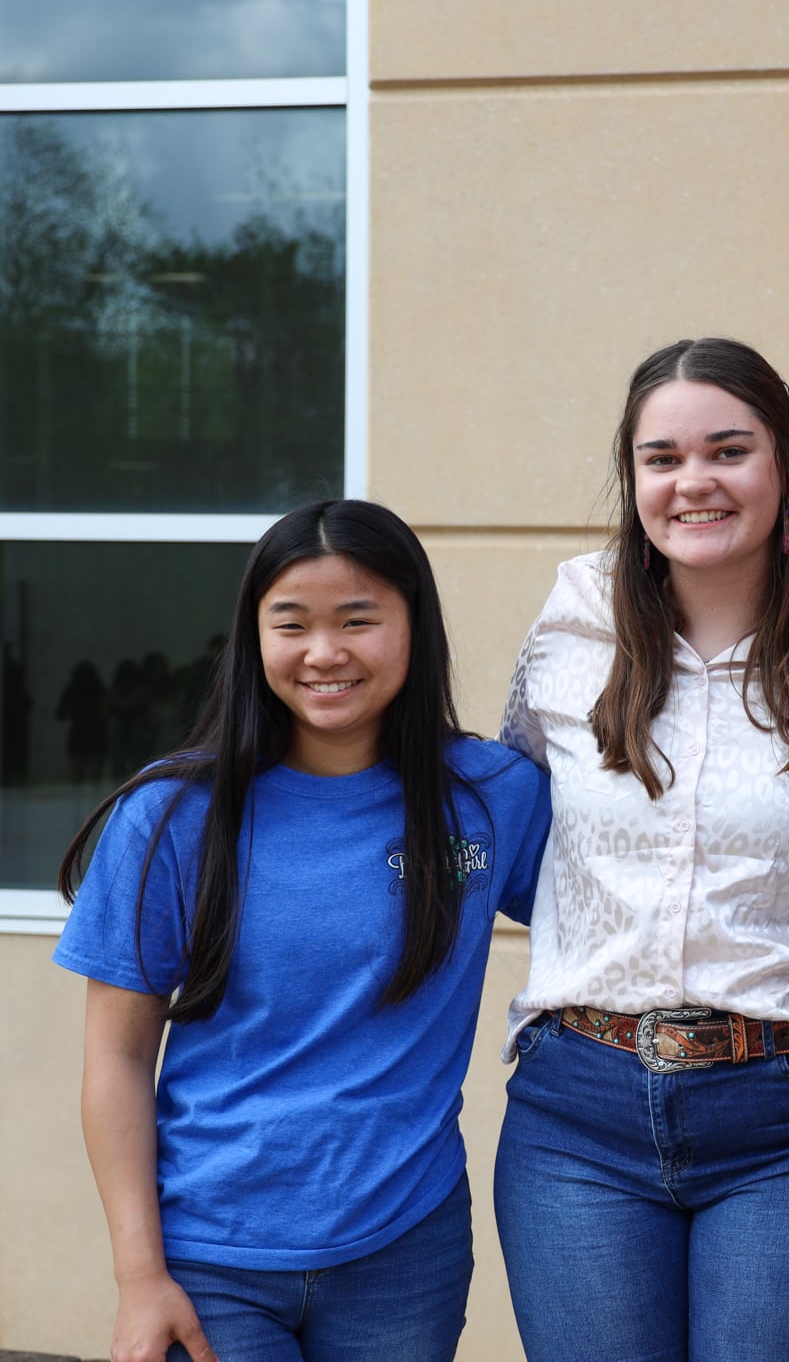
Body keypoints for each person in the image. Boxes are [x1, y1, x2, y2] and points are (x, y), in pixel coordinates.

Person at [55, 499, 550, 1362]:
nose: (325, 652)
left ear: (414, 625)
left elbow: (626, 919)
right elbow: (117, 1058)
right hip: (212, 1255)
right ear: (254, 637)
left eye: (358, 620)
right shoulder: (173, 814)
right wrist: (140, 1276)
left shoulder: (489, 796)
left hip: (407, 1248)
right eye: (291, 624)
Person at [493, 337, 789, 1362]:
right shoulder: (568, 631)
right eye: (661, 458)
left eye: (728, 450)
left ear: (786, 461)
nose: (693, 482)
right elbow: (524, 828)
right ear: (631, 477)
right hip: (577, 1115)